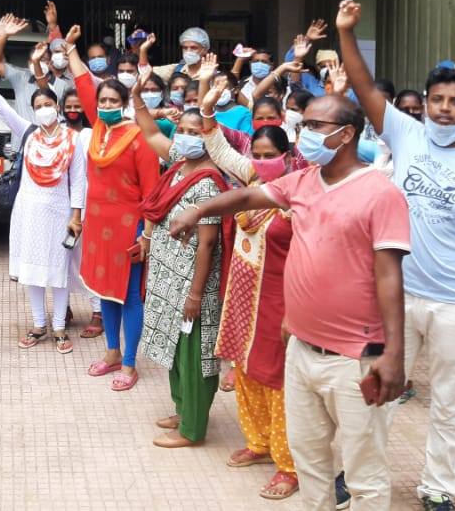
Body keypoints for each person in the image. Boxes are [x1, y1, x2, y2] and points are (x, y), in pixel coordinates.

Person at [170, 92, 409, 511]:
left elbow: (390, 275)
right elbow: (246, 198)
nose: (305, 135)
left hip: (354, 356)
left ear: (347, 134)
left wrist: (394, 353)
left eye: (316, 126)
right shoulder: (302, 182)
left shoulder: (379, 192)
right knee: (310, 460)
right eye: (305, 125)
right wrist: (198, 210)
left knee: (363, 474)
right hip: (301, 349)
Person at [338, 0, 455, 511]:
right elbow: (364, 87)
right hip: (396, 296)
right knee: (377, 389)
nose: (442, 108)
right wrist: (349, 31)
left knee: (448, 403)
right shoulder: (406, 134)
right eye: (436, 98)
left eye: (454, 102)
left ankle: (438, 487)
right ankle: (360, 475)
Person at [199, 96, 301, 499]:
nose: (262, 161)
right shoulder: (252, 181)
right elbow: (218, 146)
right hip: (242, 293)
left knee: (277, 378)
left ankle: (289, 464)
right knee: (245, 368)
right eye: (256, 155)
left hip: (279, 297)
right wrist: (207, 107)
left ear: (288, 155)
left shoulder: (298, 193)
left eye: (271, 155)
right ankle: (259, 443)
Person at [127, 81, 226, 449]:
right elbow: (149, 130)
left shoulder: (208, 183)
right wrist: (137, 98)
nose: (184, 137)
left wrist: (196, 294)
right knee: (174, 351)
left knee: (192, 354)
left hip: (191, 284)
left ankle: (193, 429)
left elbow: (209, 243)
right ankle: (184, 411)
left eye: (193, 132)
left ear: (208, 137)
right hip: (169, 278)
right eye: (181, 131)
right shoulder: (179, 166)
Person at [61, 26, 160, 392]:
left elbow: (151, 193)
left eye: (111, 102)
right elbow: (85, 85)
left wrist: (147, 236)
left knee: (130, 294)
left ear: (125, 104)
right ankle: (113, 351)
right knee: (105, 292)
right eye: (101, 103)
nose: (104, 107)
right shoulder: (98, 131)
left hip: (130, 228)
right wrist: (70, 49)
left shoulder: (140, 138)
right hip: (99, 225)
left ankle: (131, 363)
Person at [0, 62, 87, 352]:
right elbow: (3, 109)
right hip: (29, 213)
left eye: (48, 103)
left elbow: (78, 181)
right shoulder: (28, 132)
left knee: (59, 273)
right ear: (33, 110)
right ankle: (39, 325)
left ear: (58, 107)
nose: (43, 109)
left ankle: (60, 328)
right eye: (38, 106)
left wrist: (76, 216)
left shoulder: (73, 140)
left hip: (60, 213)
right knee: (33, 270)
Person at [137, 27, 212, 82]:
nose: (188, 51)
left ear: (204, 50)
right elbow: (146, 72)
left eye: (193, 48)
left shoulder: (212, 74)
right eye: (185, 48)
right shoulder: (175, 69)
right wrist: (143, 49)